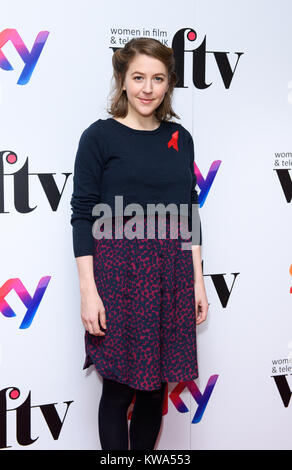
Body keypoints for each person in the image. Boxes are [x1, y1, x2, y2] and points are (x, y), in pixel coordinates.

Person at [70, 37, 209, 451]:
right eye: (138, 77)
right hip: (116, 277)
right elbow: (82, 214)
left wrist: (198, 281)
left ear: (168, 85)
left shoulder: (180, 138)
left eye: (158, 79)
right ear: (123, 81)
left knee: (153, 391)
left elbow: (189, 212)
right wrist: (88, 291)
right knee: (116, 391)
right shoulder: (98, 137)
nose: (147, 88)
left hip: (171, 276)